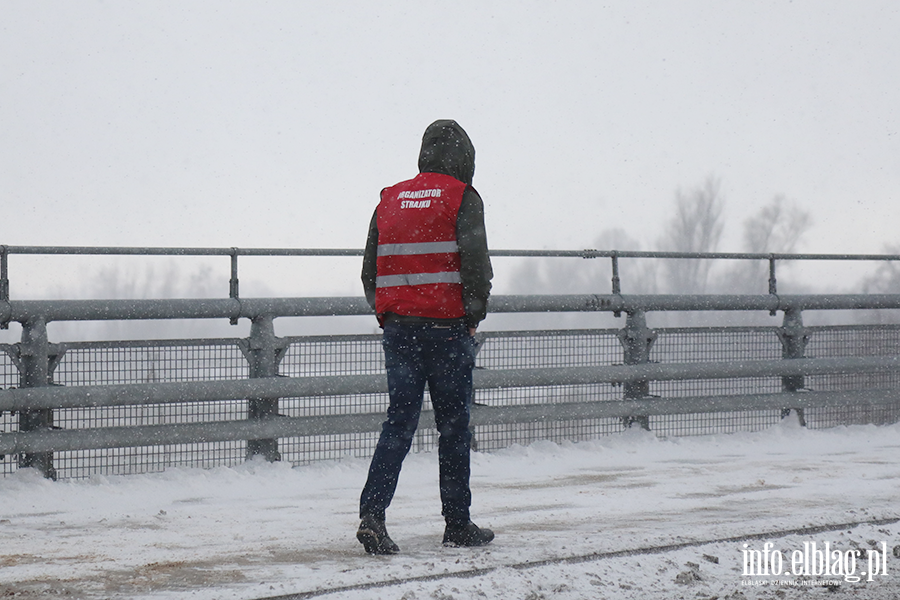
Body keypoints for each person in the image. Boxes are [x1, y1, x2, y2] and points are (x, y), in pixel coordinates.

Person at [357, 119, 494, 555]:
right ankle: (457, 524)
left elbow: (369, 271)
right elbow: (476, 266)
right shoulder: (462, 199)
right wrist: (473, 316)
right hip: (448, 331)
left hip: (401, 331)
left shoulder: (389, 199)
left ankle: (373, 516)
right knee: (453, 429)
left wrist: (388, 315)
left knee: (399, 423)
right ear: (464, 158)